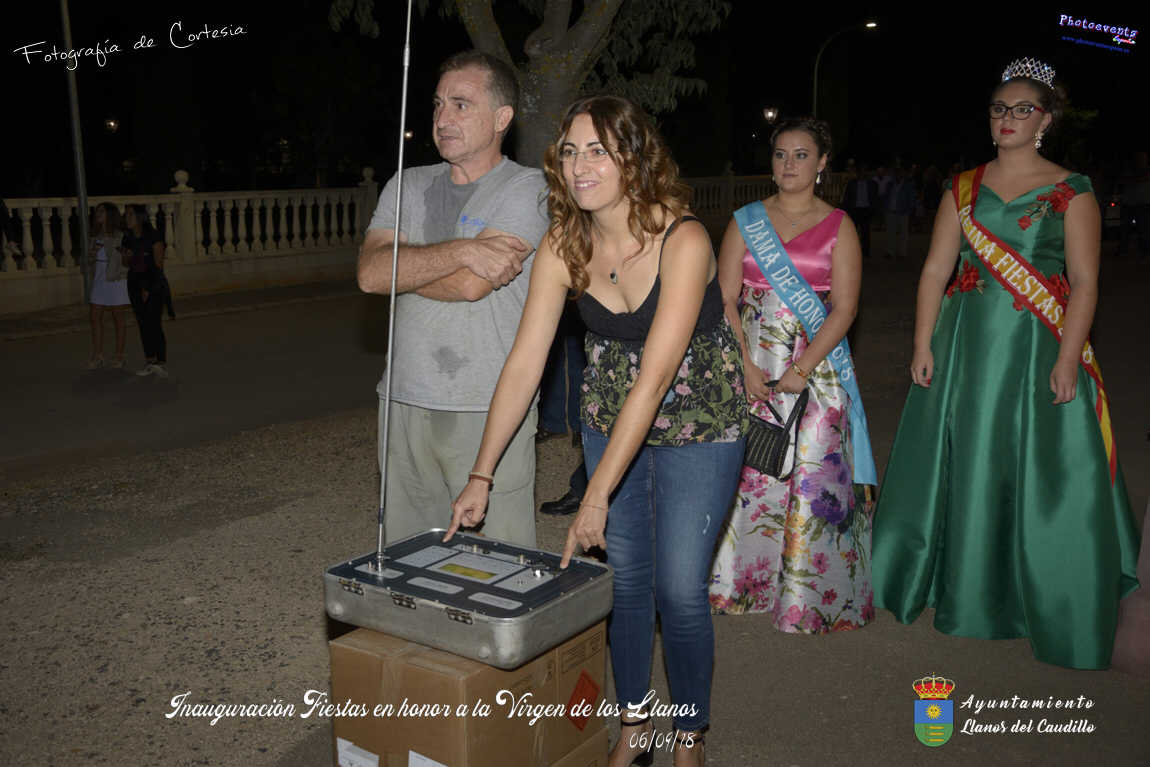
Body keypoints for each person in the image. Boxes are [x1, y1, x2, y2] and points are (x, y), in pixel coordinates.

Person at [447, 95, 747, 766]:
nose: (581, 166)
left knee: (678, 587)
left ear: (633, 158)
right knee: (628, 582)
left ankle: (689, 734)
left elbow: (658, 376)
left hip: (699, 414)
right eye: (572, 151)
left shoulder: (685, 237)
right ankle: (635, 725)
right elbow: (525, 363)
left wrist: (594, 492)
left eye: (599, 151)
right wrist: (481, 472)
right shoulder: (564, 243)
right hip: (612, 411)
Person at [871, 58, 1140, 669]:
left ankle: (1035, 594)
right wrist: (922, 343)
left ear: (1045, 119)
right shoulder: (962, 187)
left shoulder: (1071, 189)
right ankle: (958, 582)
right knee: (966, 455)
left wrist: (1069, 358)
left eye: (1022, 109)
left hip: (1037, 342)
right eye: (999, 108)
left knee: (1035, 465)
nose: (1007, 119)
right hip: (966, 340)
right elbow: (936, 269)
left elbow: (1086, 282)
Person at [358, 50, 549, 547]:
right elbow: (369, 275)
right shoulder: (408, 183)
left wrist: (401, 267)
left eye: (461, 105)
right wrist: (465, 249)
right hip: (401, 399)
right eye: (439, 104)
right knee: (408, 558)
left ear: (502, 118)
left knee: (498, 564)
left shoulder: (529, 189)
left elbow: (472, 286)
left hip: (485, 408)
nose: (442, 119)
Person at [708, 118, 878, 632]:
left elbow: (845, 309)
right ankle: (741, 584)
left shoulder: (841, 225)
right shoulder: (745, 220)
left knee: (812, 476)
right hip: (752, 360)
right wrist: (743, 365)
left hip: (816, 368)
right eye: (781, 154)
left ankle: (809, 600)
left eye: (801, 155)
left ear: (823, 162)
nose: (788, 165)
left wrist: (802, 370)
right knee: (748, 474)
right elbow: (724, 298)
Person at [122, 204, 168, 378]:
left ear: (141, 217)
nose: (127, 218)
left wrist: (148, 288)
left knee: (154, 323)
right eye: (126, 215)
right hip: (134, 281)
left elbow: (158, 266)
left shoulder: (154, 236)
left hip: (153, 283)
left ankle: (160, 361)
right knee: (142, 322)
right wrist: (126, 257)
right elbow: (126, 264)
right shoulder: (127, 238)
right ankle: (150, 361)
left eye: (130, 214)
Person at [86, 202, 129, 369]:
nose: (98, 214)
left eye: (102, 211)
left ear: (110, 215)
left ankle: (119, 355)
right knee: (95, 317)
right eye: (97, 211)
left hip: (115, 279)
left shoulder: (119, 235)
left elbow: (123, 258)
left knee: (118, 317)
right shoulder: (94, 236)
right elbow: (89, 261)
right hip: (99, 278)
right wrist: (92, 253)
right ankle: (98, 355)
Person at [840, 166, 878, 258]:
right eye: (860, 172)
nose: (862, 174)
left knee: (866, 232)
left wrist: (874, 210)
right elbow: (847, 197)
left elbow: (875, 197)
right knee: (853, 232)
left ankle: (866, 252)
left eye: (864, 172)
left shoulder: (871, 184)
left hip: (866, 209)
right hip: (855, 209)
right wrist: (845, 210)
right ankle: (853, 251)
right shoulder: (852, 183)